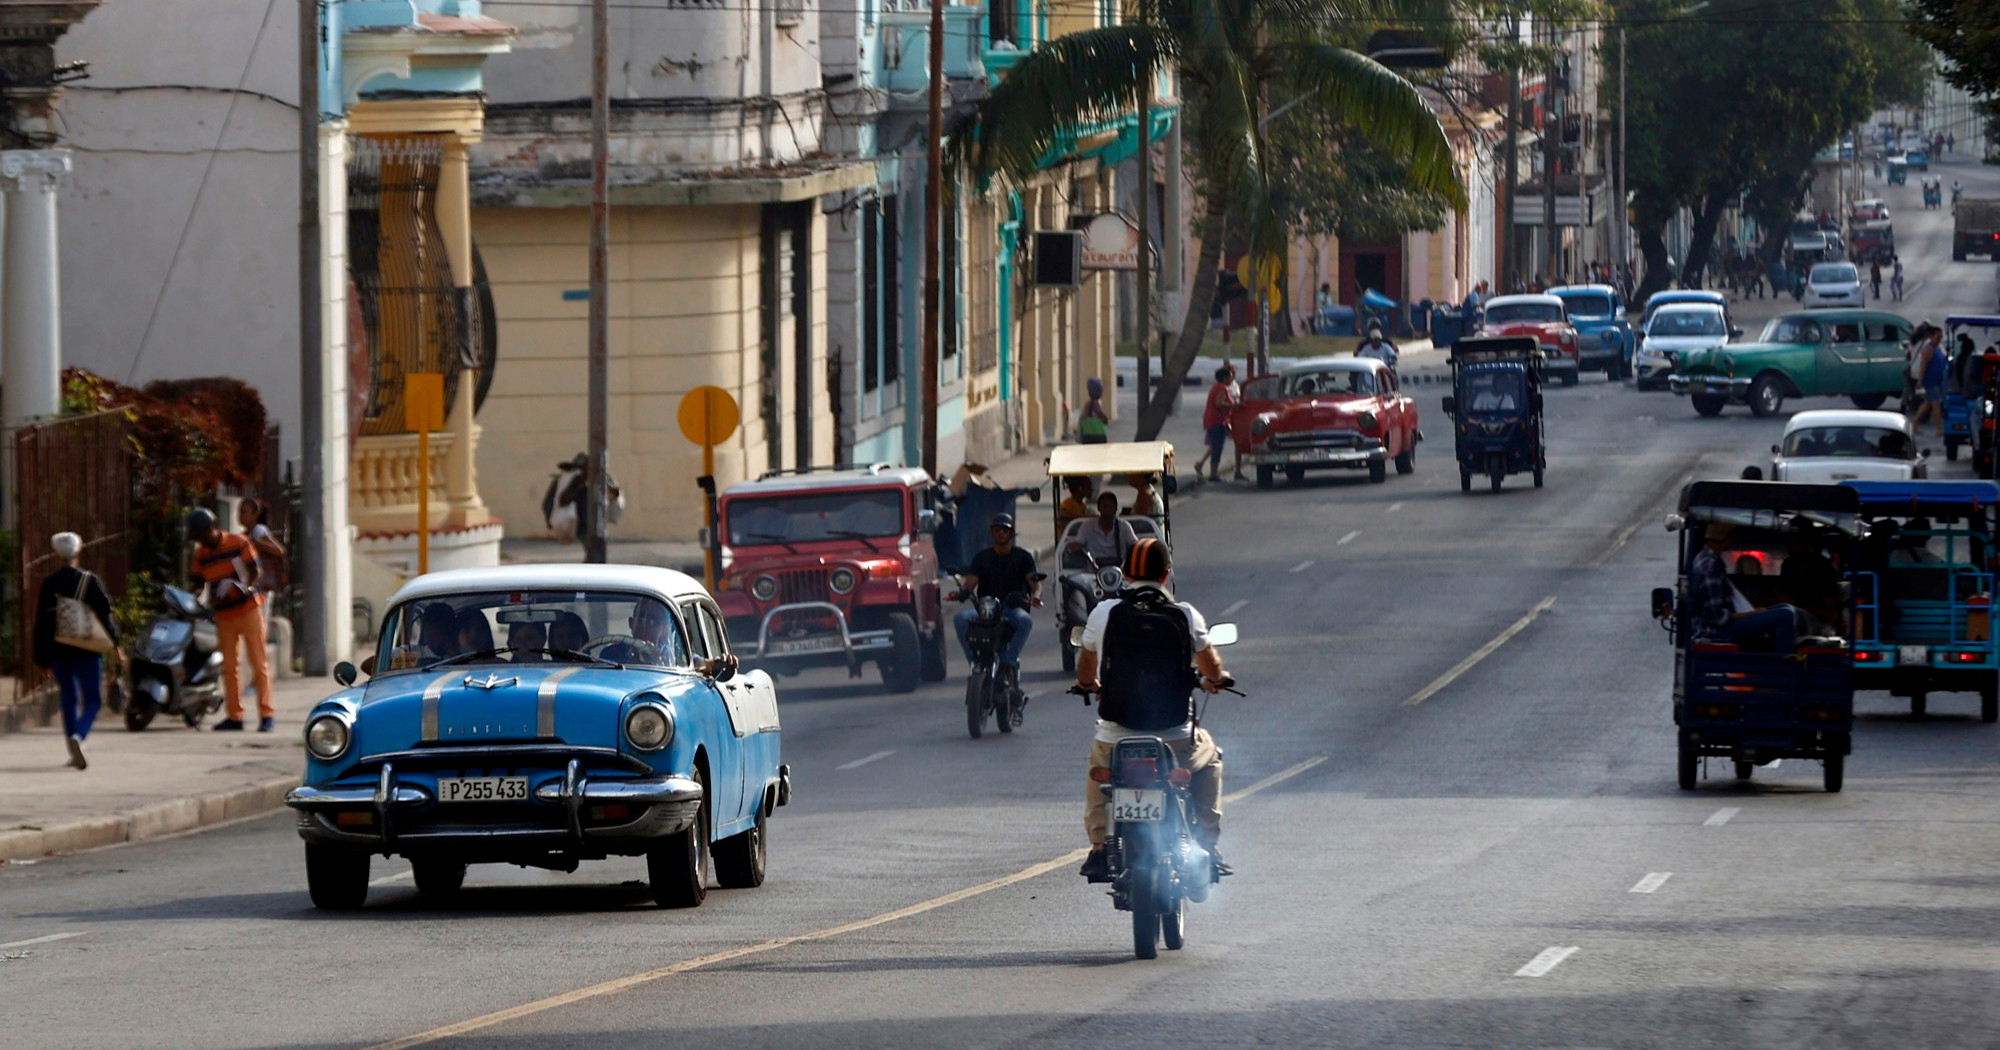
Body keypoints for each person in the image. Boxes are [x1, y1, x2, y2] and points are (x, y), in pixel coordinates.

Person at [1074, 538, 1231, 882]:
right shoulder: (1186, 615)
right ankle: (1207, 844)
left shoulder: (1104, 613)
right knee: (1211, 758)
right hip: (1175, 738)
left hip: (1116, 737)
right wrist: (1218, 679)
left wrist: (1089, 685)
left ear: (1126, 574)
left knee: (1098, 771)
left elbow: (1085, 671)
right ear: (1165, 576)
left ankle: (1100, 849)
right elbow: (1212, 668)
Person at [33, 532, 122, 770]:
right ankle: (79, 736)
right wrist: (116, 644)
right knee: (93, 699)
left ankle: (73, 747)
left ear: (55, 554)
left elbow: (41, 623)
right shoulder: (90, 581)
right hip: (88, 650)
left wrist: (41, 658)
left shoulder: (50, 584)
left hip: (59, 652)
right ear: (78, 552)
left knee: (68, 698)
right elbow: (105, 615)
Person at [189, 507, 274, 732]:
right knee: (229, 667)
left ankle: (266, 715)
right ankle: (235, 717)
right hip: (224, 614)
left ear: (211, 529)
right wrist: (194, 596)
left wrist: (247, 587)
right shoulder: (201, 555)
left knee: (258, 662)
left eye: (201, 535)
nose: (200, 541)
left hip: (249, 610)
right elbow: (197, 582)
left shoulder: (238, 542)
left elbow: (256, 571)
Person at [951, 513, 1040, 687]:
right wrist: (962, 593)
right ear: (991, 533)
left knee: (1024, 621)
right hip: (986, 611)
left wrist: (1036, 597)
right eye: (997, 529)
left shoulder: (1023, 557)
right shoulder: (982, 558)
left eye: (1005, 530)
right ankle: (974, 660)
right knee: (960, 619)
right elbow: (970, 583)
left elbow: (1035, 583)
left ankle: (1008, 662)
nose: (1001, 533)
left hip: (1012, 609)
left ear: (1011, 533)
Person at [1688, 522, 1801, 654]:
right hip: (1718, 632)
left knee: (1785, 608)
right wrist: (1749, 614)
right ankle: (1782, 667)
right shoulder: (1709, 566)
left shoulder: (1705, 559)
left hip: (1722, 626)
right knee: (1786, 616)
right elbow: (1716, 616)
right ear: (1726, 539)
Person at [1778, 526, 1842, 633]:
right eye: (1788, 544)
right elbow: (1783, 593)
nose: (1790, 548)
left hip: (1816, 620)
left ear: (1807, 544)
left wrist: (1795, 603)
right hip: (1789, 610)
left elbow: (1830, 614)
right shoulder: (1789, 565)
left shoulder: (1823, 568)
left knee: (1786, 615)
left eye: (1795, 544)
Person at [238, 498, 286, 626]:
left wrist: (253, 542)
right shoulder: (246, 534)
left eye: (244, 512)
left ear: (255, 514)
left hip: (262, 587)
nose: (240, 516)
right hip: (253, 587)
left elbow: (279, 550)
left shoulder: (259, 531)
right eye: (239, 512)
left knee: (259, 625)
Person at [1074, 491, 1138, 568]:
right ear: (1098, 508)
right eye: (1104, 507)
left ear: (1116, 509)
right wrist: (1075, 547)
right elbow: (1078, 543)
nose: (1108, 510)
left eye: (1111, 507)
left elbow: (1135, 544)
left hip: (1118, 570)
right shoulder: (1087, 526)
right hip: (1093, 571)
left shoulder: (1124, 526)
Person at [1200, 364, 1240, 482]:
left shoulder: (1218, 387)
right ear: (1224, 378)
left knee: (1216, 446)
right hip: (1216, 421)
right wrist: (1234, 405)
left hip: (1215, 420)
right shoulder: (1222, 388)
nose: (1232, 378)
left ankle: (1212, 471)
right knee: (1217, 447)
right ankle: (1213, 473)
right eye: (1230, 376)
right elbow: (1219, 403)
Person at [1915, 325, 1948, 438]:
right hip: (1930, 381)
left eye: (1941, 336)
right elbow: (1923, 365)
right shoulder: (1928, 349)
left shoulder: (1937, 348)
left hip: (1937, 380)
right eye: (1938, 336)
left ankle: (1914, 424)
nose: (1940, 338)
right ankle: (1939, 429)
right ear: (1932, 336)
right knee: (1935, 404)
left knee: (1927, 404)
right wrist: (1920, 381)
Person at [1078, 377, 1109, 445]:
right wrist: (1105, 418)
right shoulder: (1097, 404)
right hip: (1097, 434)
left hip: (1087, 434)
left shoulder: (1087, 404)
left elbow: (1084, 416)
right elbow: (1100, 413)